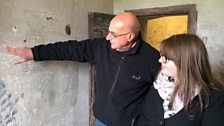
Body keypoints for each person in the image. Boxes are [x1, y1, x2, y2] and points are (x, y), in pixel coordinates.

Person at [4, 12, 161, 126]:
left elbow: (163, 96)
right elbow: (70, 49)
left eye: (113, 34)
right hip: (100, 120)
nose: (107, 38)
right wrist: (34, 53)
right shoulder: (101, 47)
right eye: (108, 32)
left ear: (130, 37)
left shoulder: (152, 59)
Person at [134, 34, 224, 126]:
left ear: (185, 62)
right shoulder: (158, 87)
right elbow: (143, 120)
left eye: (166, 58)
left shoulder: (213, 99)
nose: (160, 60)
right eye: (161, 55)